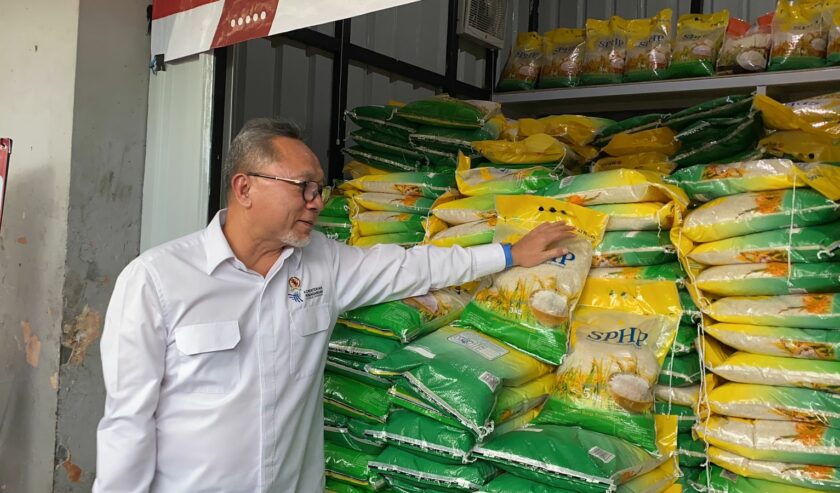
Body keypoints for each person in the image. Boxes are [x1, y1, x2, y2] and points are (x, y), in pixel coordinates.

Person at [93, 118, 576, 492]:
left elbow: (411, 266)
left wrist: (509, 254)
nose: (316, 200)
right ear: (245, 188)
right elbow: (128, 423)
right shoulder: (157, 280)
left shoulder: (322, 261)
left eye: (318, 187)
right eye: (301, 187)